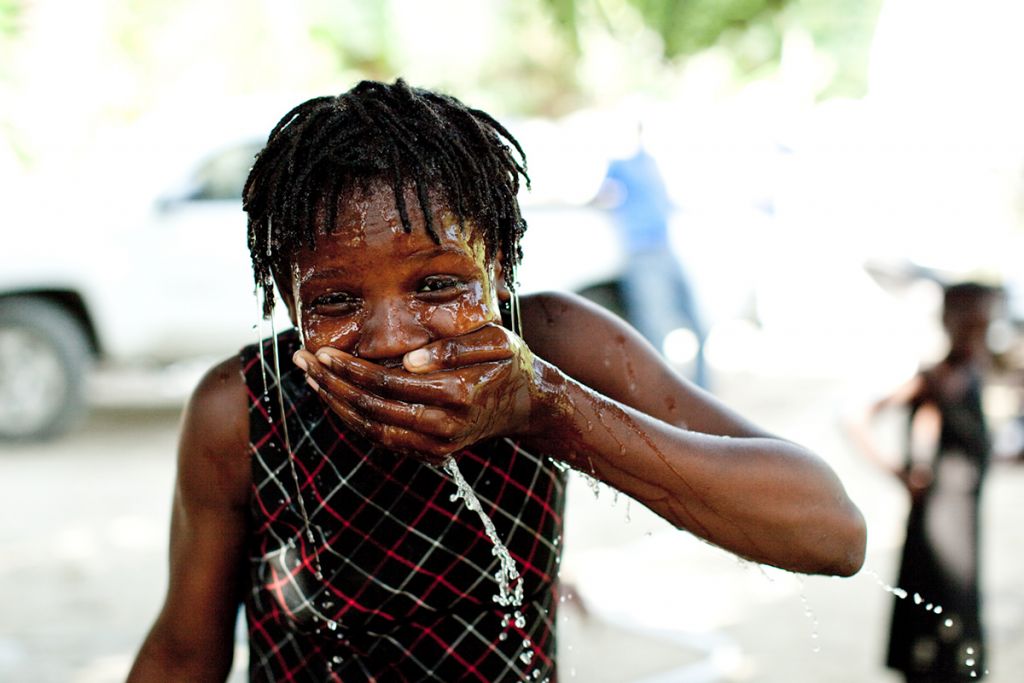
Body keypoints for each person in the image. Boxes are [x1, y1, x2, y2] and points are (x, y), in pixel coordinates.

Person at [127, 79, 866, 683]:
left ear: (500, 269)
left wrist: (546, 408)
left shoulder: (554, 343)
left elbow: (832, 533)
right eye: (336, 301)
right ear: (288, 303)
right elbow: (184, 655)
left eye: (437, 286)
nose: (392, 339)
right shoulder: (244, 410)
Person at [848, 282, 1003, 682]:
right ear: (949, 322)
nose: (978, 333)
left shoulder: (973, 374)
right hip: (938, 525)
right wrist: (897, 472)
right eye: (970, 324)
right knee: (936, 618)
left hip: (963, 523)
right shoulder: (934, 378)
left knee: (959, 611)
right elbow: (859, 418)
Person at [598, 125, 709, 388]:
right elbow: (604, 195)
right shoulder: (619, 165)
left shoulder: (652, 163)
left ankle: (699, 391)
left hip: (665, 249)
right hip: (641, 253)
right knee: (654, 334)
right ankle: (662, 395)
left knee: (699, 327)